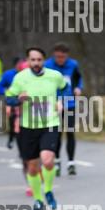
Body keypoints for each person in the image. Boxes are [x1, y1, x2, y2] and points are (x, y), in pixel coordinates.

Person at [5, 47, 66, 210]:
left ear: (44, 60)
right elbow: (9, 98)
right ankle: (38, 200)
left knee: (47, 160)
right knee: (32, 168)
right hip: (28, 127)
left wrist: (61, 101)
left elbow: (65, 88)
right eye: (33, 60)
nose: (36, 63)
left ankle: (48, 190)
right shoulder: (20, 78)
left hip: (50, 124)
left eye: (39, 60)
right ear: (28, 61)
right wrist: (18, 100)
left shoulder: (55, 76)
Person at [45, 42, 84, 176]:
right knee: (56, 133)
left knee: (70, 132)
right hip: (53, 104)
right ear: (54, 55)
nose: (60, 60)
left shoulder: (73, 64)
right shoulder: (47, 65)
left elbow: (78, 78)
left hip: (69, 103)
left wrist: (78, 88)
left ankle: (71, 163)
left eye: (62, 57)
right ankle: (56, 162)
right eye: (57, 57)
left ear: (67, 56)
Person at [0, 58, 32, 196]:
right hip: (20, 125)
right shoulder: (16, 85)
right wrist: (14, 102)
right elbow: (9, 98)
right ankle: (30, 184)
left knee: (38, 156)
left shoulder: (42, 84)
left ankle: (38, 173)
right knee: (25, 158)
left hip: (39, 125)